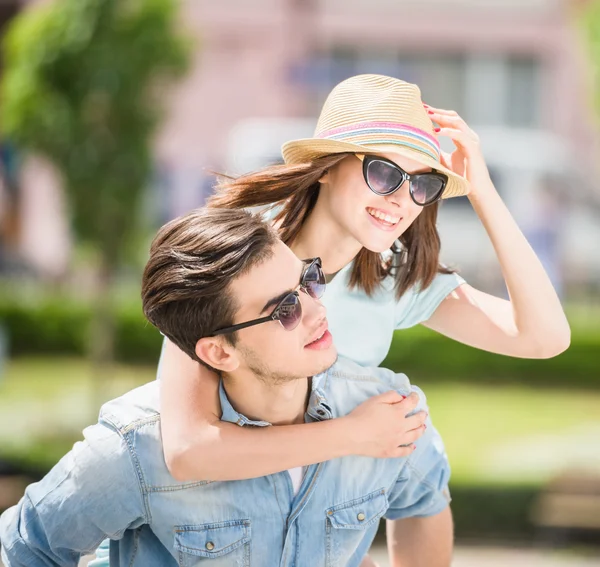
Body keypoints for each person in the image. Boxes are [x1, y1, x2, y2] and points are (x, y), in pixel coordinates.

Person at [92, 74, 571, 565]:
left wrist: (483, 191)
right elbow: (189, 449)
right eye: (384, 173)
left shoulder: (390, 277)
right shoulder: (238, 257)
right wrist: (355, 435)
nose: (401, 200)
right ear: (326, 167)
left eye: (423, 183)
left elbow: (544, 337)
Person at [1, 207, 451, 567]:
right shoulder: (135, 448)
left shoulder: (385, 410)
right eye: (286, 310)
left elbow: (425, 498)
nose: (317, 311)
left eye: (309, 280)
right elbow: (25, 548)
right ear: (219, 352)